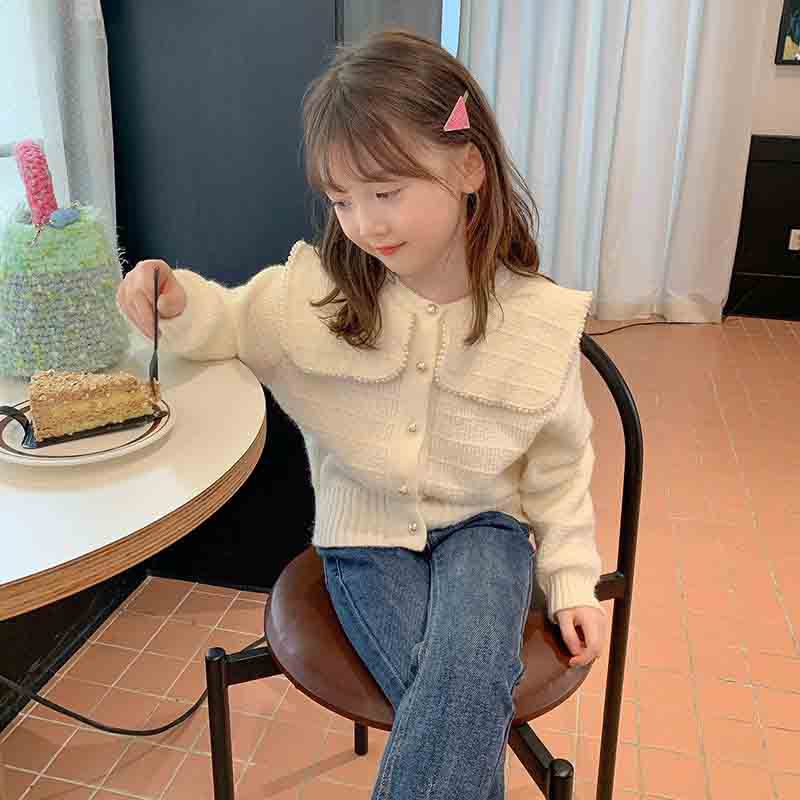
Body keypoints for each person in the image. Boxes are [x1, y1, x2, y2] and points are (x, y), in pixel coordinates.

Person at [117, 29, 606, 800]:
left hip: (488, 528)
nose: (365, 224)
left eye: (386, 192)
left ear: (469, 166)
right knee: (459, 696)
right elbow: (228, 322)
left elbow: (559, 465)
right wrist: (174, 302)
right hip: (365, 534)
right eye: (342, 200)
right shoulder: (315, 294)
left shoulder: (534, 323)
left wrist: (572, 577)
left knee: (464, 681)